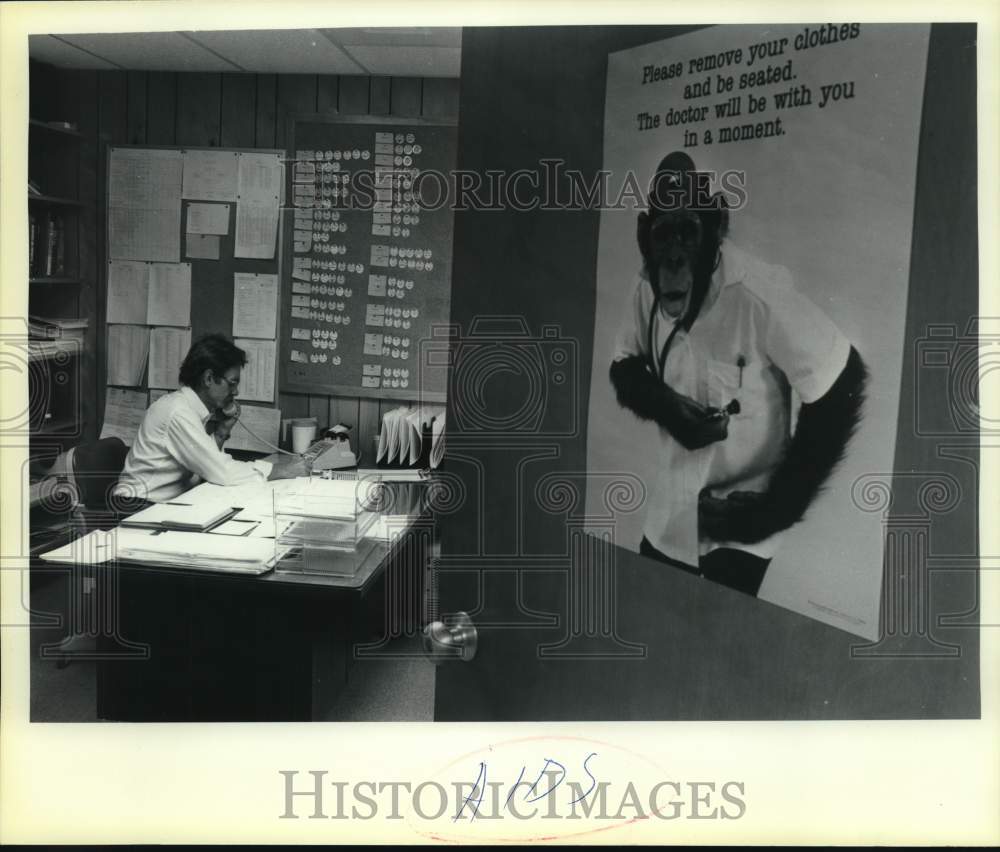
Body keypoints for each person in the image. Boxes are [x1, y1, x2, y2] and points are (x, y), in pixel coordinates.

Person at [609, 152, 867, 596]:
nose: (672, 258)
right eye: (662, 236)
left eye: (686, 234)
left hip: (741, 523)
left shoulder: (758, 296)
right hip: (671, 515)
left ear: (715, 228)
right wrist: (670, 409)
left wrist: (776, 509)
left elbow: (840, 380)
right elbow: (625, 366)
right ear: (642, 236)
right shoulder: (645, 289)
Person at [115, 334, 309, 503]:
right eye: (232, 383)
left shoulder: (189, 408)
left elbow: (205, 465)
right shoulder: (178, 412)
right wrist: (280, 471)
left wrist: (222, 431)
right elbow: (220, 471)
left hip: (162, 503)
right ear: (208, 379)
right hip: (139, 506)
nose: (236, 391)